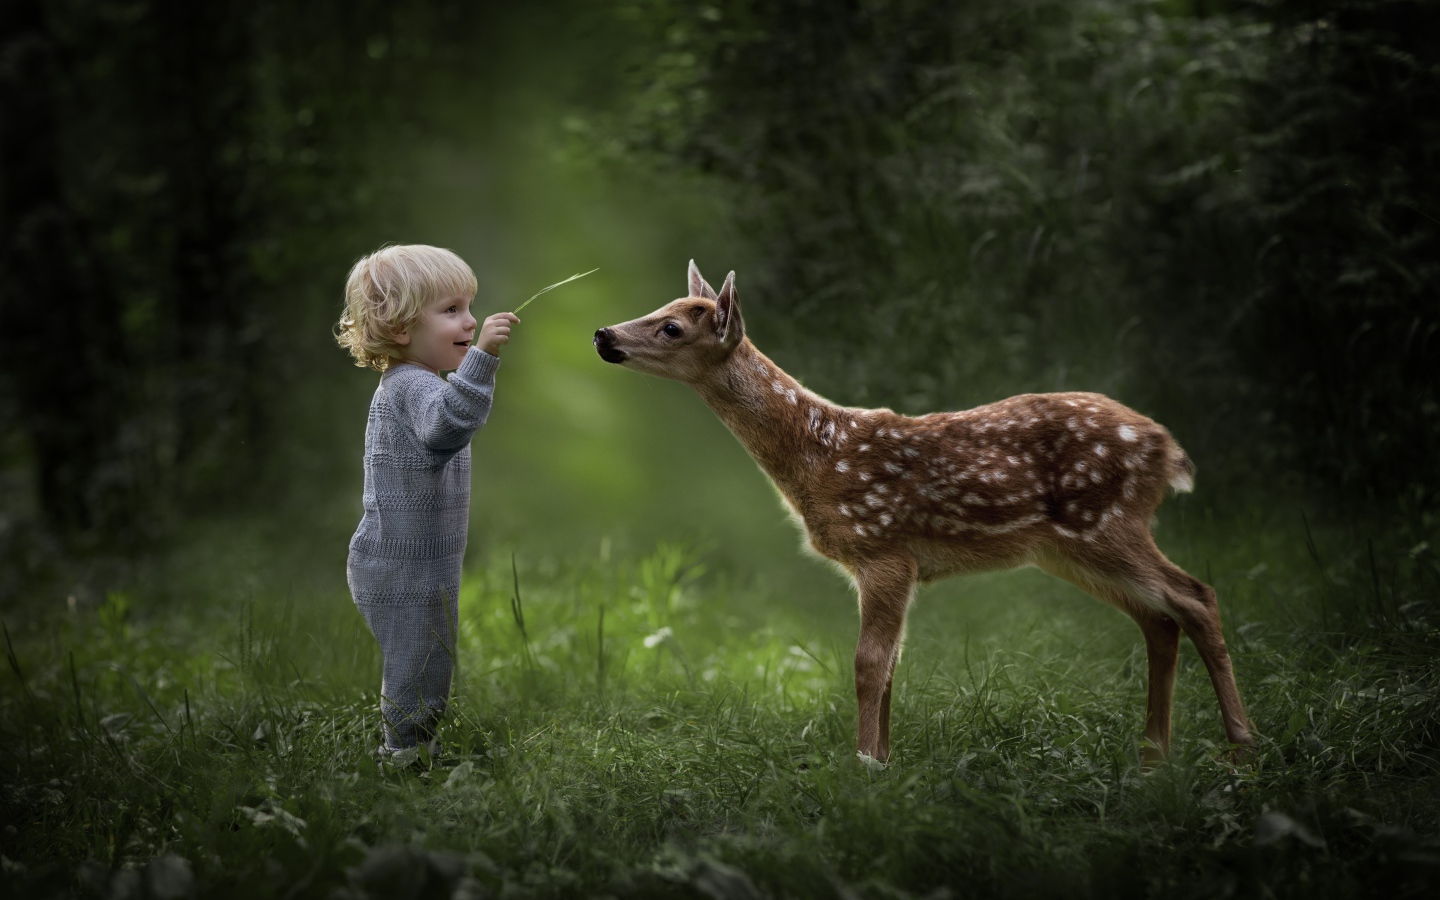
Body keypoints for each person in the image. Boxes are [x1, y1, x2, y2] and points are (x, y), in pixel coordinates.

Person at [334, 244, 519, 761]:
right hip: (400, 563)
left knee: (429, 658)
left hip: (419, 560)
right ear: (399, 327)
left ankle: (417, 745)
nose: (469, 320)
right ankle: (404, 754)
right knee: (418, 662)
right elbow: (448, 426)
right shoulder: (410, 386)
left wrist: (475, 360)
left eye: (469, 306)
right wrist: (482, 358)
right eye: (451, 310)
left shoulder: (419, 382)